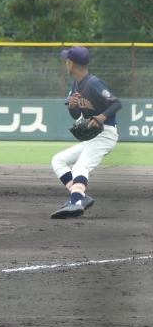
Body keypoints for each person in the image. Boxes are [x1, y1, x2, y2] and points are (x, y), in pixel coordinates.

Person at [50, 46, 121, 219]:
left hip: (106, 134)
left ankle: (75, 203)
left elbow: (116, 103)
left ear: (71, 64)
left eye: (67, 61)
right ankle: (80, 196)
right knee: (58, 160)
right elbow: (76, 115)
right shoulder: (76, 84)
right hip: (94, 136)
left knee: (80, 166)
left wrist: (101, 117)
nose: (66, 63)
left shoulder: (93, 83)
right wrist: (72, 107)